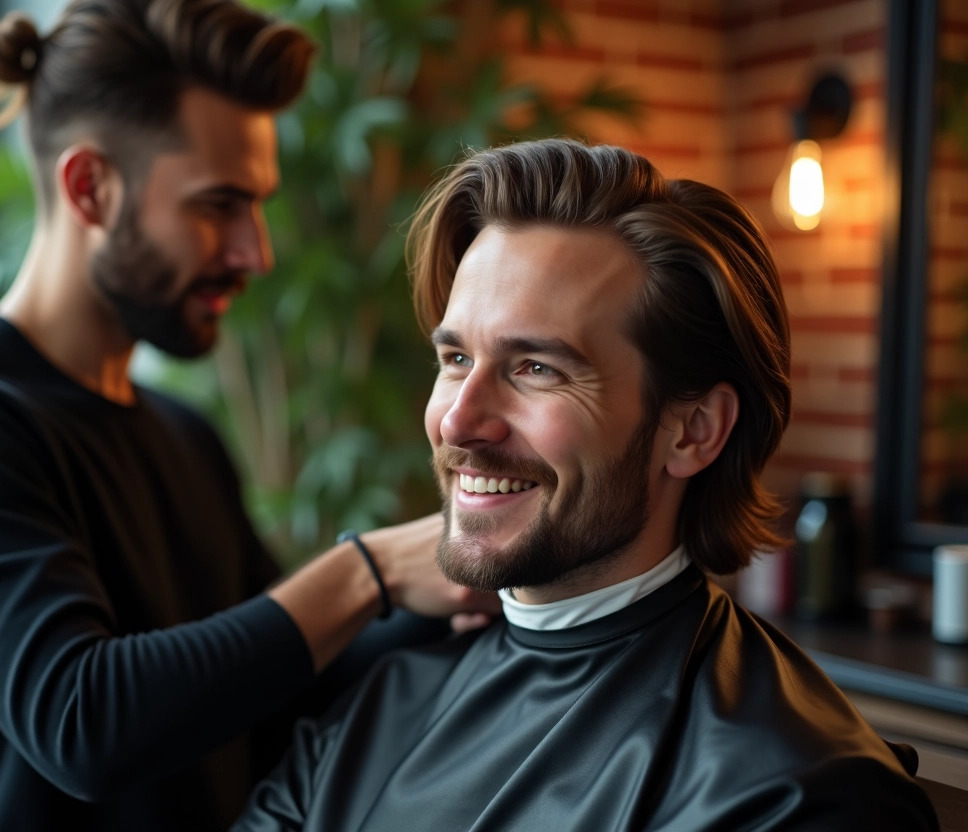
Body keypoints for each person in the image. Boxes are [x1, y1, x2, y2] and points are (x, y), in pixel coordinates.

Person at [0, 2, 497, 830]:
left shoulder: (183, 434)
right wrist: (367, 574)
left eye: (257, 207)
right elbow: (84, 723)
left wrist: (462, 592)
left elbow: (271, 697)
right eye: (218, 205)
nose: (255, 252)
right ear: (90, 186)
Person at [232, 138, 940, 831]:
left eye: (536, 368)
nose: (457, 419)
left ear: (693, 429)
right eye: (455, 357)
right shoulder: (380, 706)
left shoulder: (795, 796)